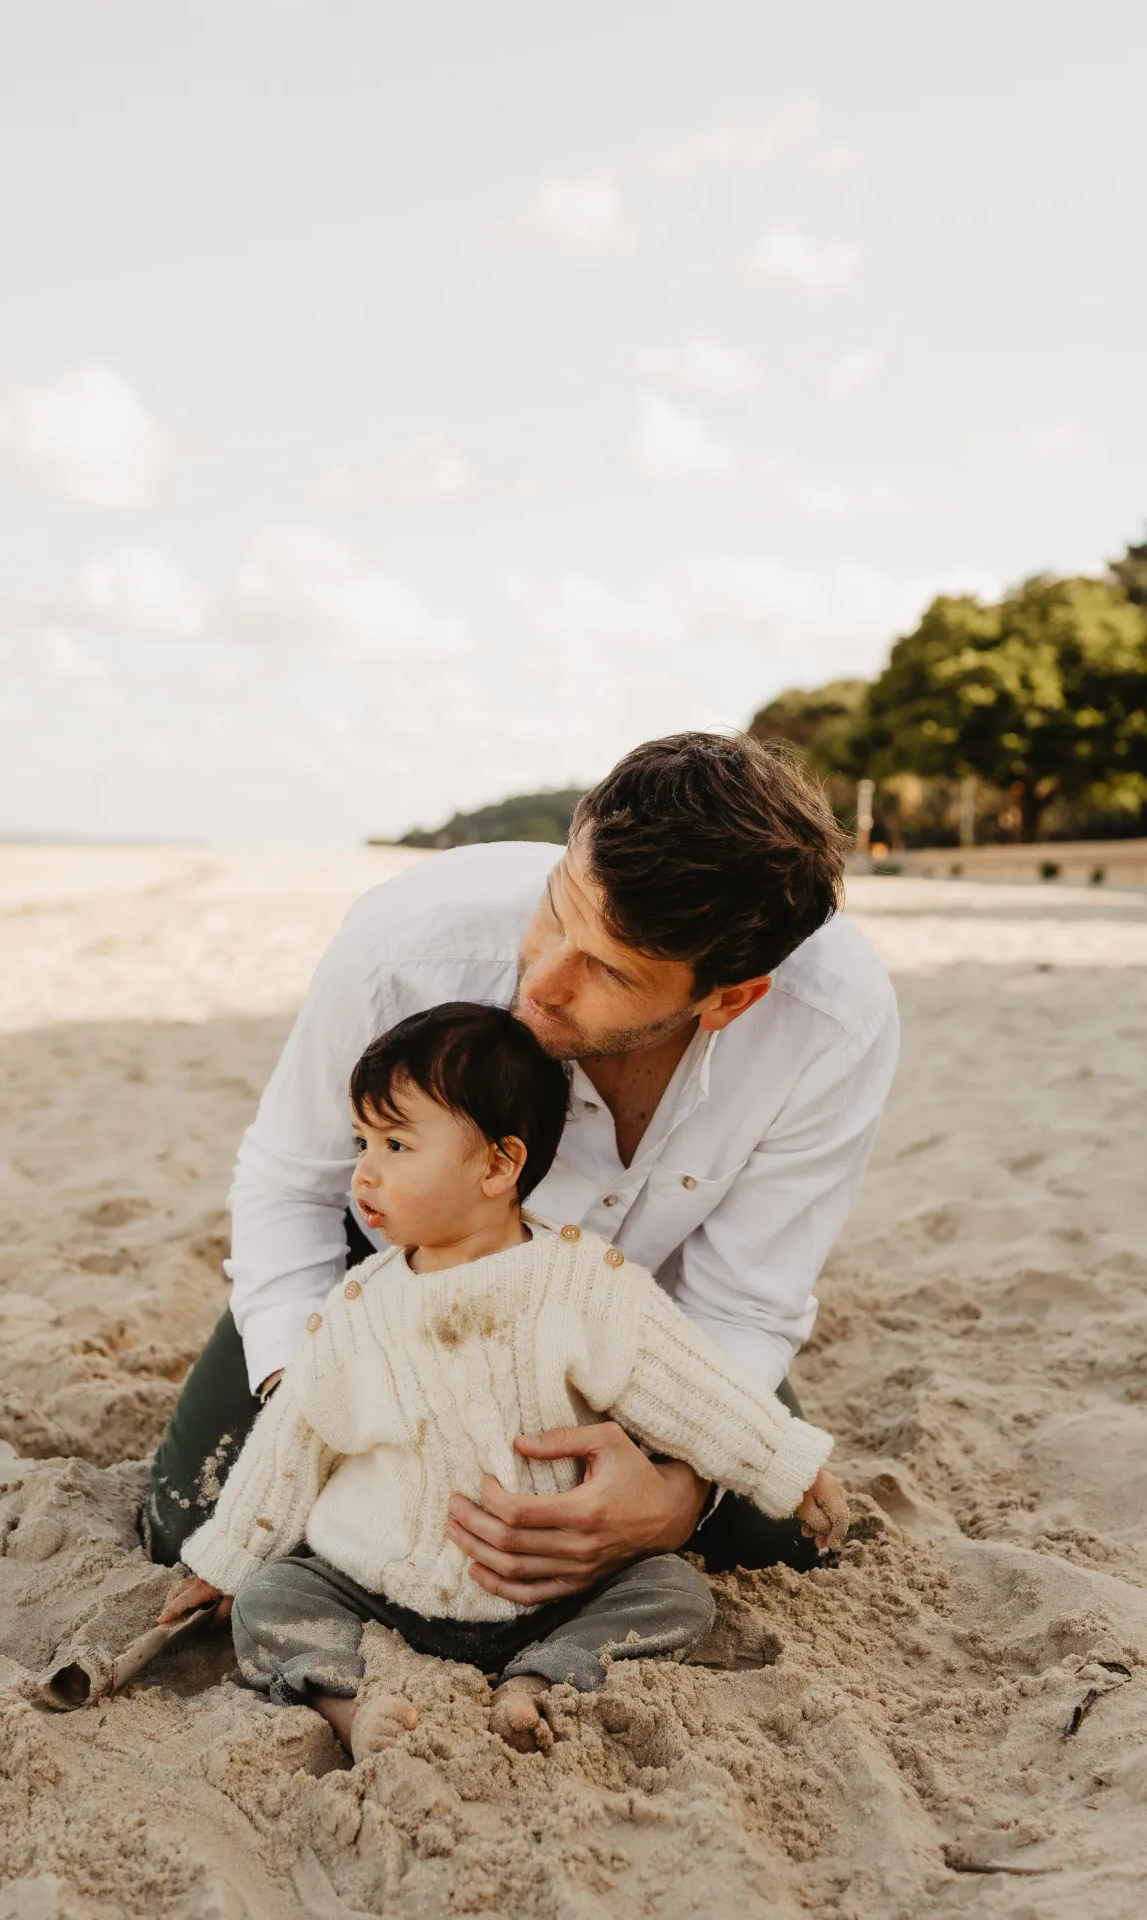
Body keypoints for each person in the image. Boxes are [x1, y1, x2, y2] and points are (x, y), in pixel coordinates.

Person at [144, 729, 898, 1590]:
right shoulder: (407, 948)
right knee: (193, 1526)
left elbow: (743, 1306)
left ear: (729, 997)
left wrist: (671, 1498)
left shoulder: (833, 1026)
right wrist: (310, 1401)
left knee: (774, 1545)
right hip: (385, 1278)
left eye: (607, 970)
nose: (540, 979)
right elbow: (291, 1185)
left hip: (630, 1322)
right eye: (557, 906)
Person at [158, 1004, 848, 1761]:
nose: (364, 1170)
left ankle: (540, 1683)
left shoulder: (580, 1283)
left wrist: (785, 1464)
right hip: (388, 1582)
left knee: (673, 1593)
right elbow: (293, 1443)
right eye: (361, 1142)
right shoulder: (359, 1308)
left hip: (556, 1586)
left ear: (496, 1165)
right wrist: (225, 1560)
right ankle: (349, 1705)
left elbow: (688, 1389)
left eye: (396, 1144)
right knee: (274, 1601)